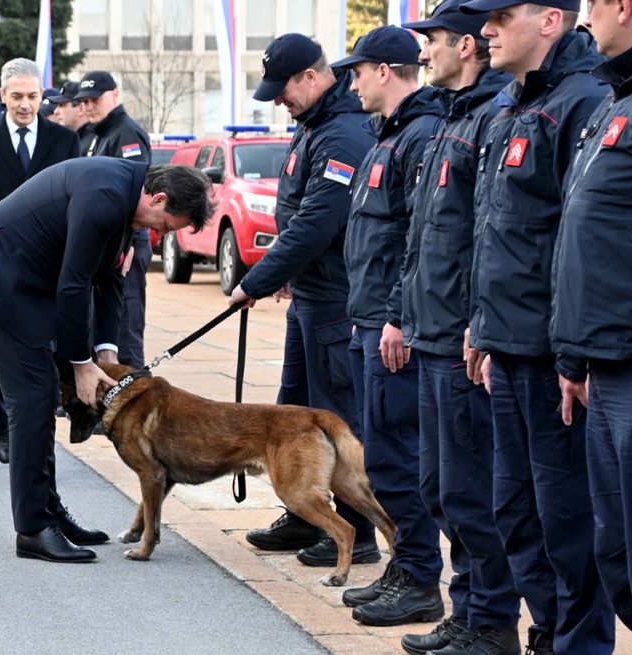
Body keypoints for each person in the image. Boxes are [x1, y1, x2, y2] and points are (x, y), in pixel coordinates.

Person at [0, 159, 214, 562]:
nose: (159, 235)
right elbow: (73, 285)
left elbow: (109, 277)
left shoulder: (130, 195)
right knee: (33, 397)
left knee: (43, 394)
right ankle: (33, 529)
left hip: (30, 276)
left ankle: (50, 512)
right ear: (158, 197)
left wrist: (105, 351)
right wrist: (80, 362)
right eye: (164, 225)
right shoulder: (106, 197)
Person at [459, 0, 614, 652]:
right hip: (505, 346)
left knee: (568, 522)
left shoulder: (583, 102)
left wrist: (569, 354)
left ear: (551, 20)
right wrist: (481, 324)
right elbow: (492, 232)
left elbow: (580, 243)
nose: (484, 30)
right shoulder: (504, 108)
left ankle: (577, 643)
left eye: (500, 16)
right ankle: (548, 634)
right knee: (515, 513)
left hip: (554, 359)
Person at [395, 2, 522, 652]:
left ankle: (491, 620)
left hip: (460, 344)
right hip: (431, 335)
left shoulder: (488, 119)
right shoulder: (453, 121)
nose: (425, 53)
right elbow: (424, 240)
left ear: (467, 45)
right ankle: (467, 609)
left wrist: (478, 325)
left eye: (435, 41)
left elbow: (487, 238)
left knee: (471, 492)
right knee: (438, 488)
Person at [229, 34, 379, 568]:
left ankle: (356, 532)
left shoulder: (341, 135)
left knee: (335, 419)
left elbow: (318, 222)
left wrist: (259, 278)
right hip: (310, 298)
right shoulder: (313, 126)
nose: (278, 101)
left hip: (336, 304)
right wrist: (289, 276)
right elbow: (295, 214)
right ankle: (304, 511)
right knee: (291, 413)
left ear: (311, 79)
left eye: (283, 90)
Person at [331, 25, 445, 628]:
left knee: (400, 457)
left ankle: (422, 577)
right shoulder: (387, 136)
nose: (351, 82)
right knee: (383, 456)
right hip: (366, 318)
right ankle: (409, 564)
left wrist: (397, 316)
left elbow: (416, 238)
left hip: (390, 327)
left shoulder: (420, 135)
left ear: (384, 71)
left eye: (358, 70)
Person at [0, 58, 81, 464]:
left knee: (46, 355)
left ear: (42, 96)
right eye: (17, 97)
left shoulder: (64, 141)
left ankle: (36, 432)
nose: (25, 105)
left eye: (32, 96)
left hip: (50, 268)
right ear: (3, 96)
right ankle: (4, 417)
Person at [553, 0, 632, 634]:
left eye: (594, 7)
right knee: (616, 553)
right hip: (600, 364)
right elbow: (588, 245)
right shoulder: (613, 101)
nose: (586, 21)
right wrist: (575, 357)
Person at [75, 70, 154, 369]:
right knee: (105, 325)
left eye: (96, 98)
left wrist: (128, 243)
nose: (90, 105)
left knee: (124, 326)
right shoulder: (100, 134)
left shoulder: (125, 133)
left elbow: (136, 194)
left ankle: (135, 399)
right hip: (108, 244)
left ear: (115, 95)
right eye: (86, 100)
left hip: (126, 244)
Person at [49, 81, 96, 154]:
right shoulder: (73, 139)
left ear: (80, 109)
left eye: (62, 105)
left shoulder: (95, 140)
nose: (56, 111)